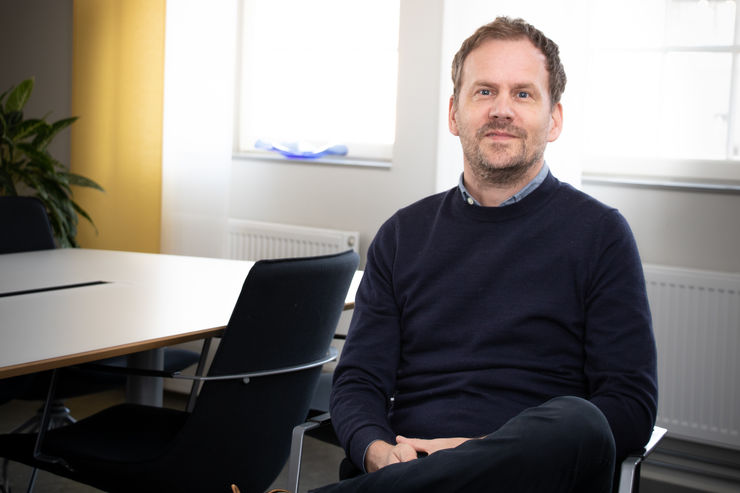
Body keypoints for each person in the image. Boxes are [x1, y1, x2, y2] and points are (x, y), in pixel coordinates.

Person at [311, 16, 657, 493]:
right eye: (484, 91)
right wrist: (376, 451)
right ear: (454, 114)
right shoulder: (401, 236)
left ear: (553, 119)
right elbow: (358, 382)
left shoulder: (601, 234)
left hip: (536, 477)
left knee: (580, 420)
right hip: (403, 466)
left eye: (523, 94)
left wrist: (479, 453)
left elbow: (630, 405)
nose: (502, 110)